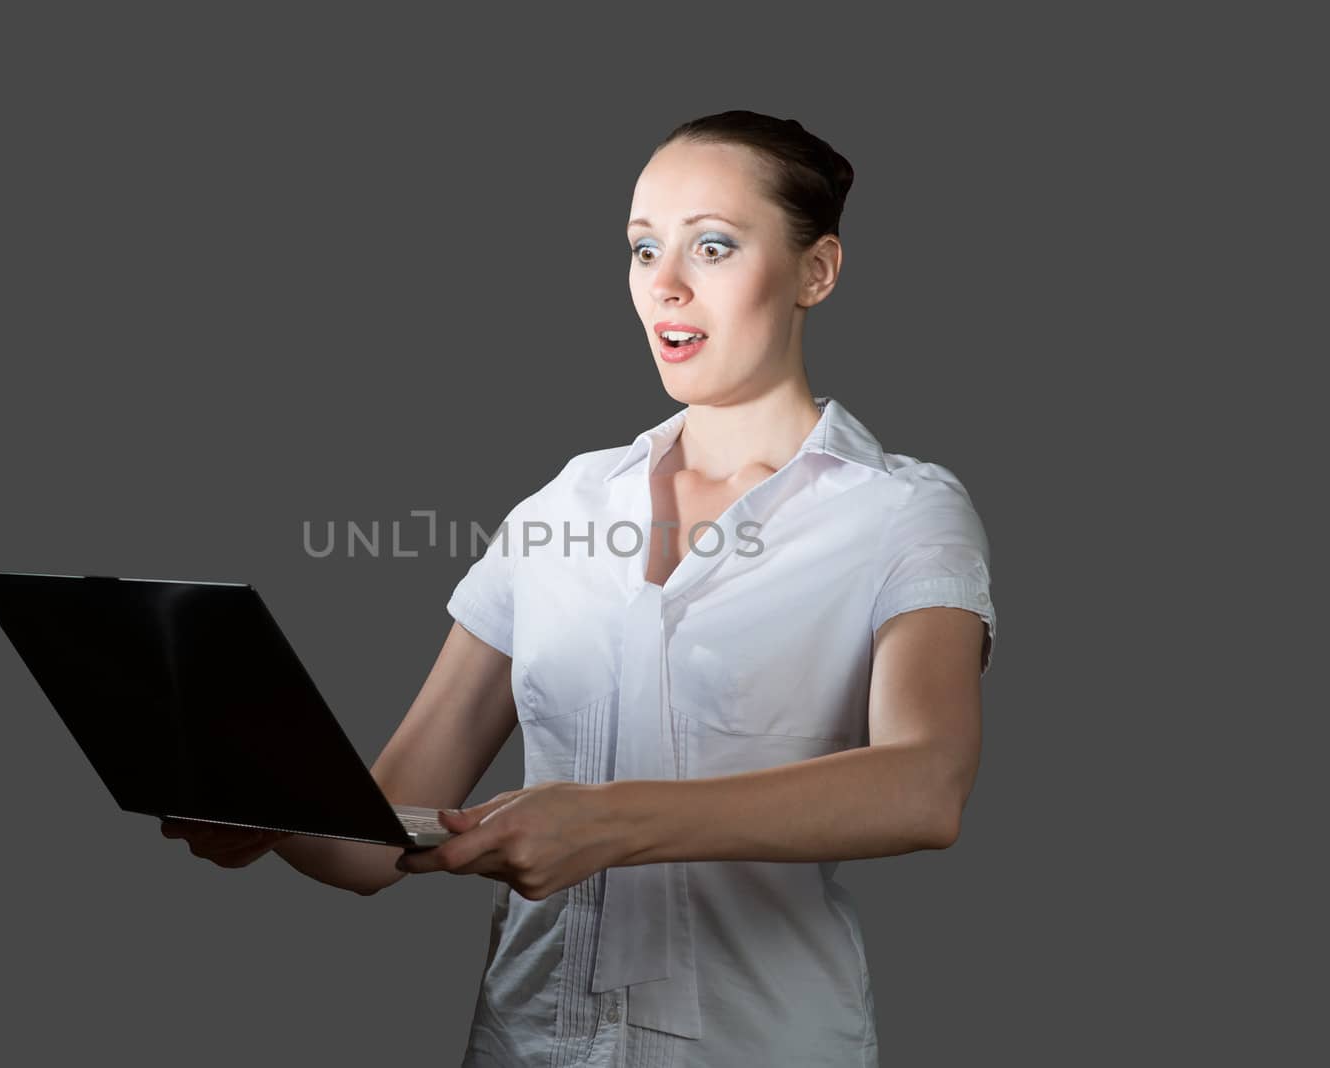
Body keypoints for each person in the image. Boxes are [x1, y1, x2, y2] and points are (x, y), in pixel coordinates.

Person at [162, 109, 996, 1067]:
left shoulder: (901, 512)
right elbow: (371, 841)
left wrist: (607, 824)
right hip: (525, 1048)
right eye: (643, 250)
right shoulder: (563, 503)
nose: (666, 285)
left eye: (713, 246)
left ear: (817, 271)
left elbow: (925, 785)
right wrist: (278, 811)